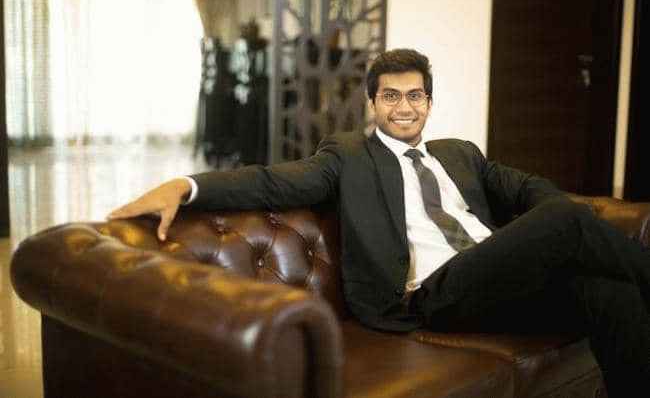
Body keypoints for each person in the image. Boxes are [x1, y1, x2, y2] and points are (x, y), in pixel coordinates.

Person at [109, 48, 650, 396]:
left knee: (608, 290)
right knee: (565, 219)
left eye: (414, 96)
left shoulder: (460, 153)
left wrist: (554, 225)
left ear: (429, 103)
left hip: (497, 277)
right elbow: (274, 182)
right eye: (390, 96)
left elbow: (529, 189)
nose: (404, 107)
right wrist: (186, 185)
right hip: (433, 294)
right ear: (373, 103)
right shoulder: (348, 156)